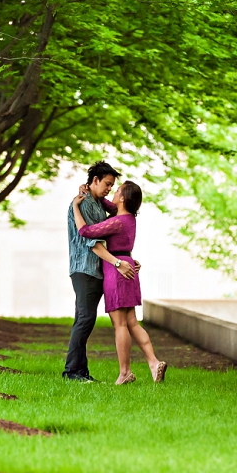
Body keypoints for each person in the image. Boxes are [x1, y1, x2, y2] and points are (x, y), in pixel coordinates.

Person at [73, 180, 167, 385]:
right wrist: (89, 192)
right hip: (128, 265)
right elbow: (108, 204)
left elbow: (85, 232)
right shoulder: (129, 217)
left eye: (116, 191)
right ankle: (153, 362)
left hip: (116, 269)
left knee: (120, 324)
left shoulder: (117, 221)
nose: (112, 193)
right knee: (132, 322)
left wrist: (75, 207)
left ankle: (125, 372)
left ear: (123, 198)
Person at [62, 161, 136, 382]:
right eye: (106, 184)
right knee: (85, 318)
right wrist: (117, 263)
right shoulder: (83, 203)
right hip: (84, 269)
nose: (109, 189)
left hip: (97, 269)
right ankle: (72, 372)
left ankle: (79, 371)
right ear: (95, 180)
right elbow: (92, 242)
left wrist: (126, 259)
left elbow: (120, 214)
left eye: (112, 186)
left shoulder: (97, 202)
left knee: (84, 319)